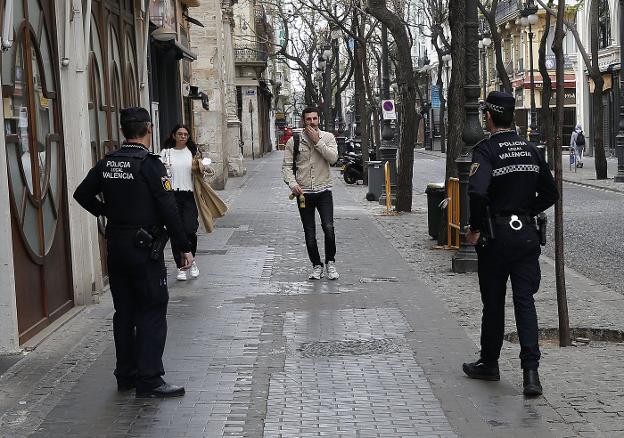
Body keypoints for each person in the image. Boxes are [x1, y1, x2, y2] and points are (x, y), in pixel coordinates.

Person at [74, 107, 193, 398]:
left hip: (117, 245)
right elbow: (168, 208)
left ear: (124, 130)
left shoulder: (107, 163)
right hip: (145, 249)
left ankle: (125, 374)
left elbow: (81, 193)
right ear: (148, 128)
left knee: (124, 312)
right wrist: (183, 248)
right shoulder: (149, 164)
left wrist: (107, 213)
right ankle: (150, 379)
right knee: (152, 310)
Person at [463, 91, 559, 396]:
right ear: (511, 116)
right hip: (526, 236)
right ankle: (531, 375)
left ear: (488, 117)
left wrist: (476, 228)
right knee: (525, 304)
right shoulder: (530, 149)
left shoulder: (486, 150)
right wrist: (528, 212)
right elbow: (550, 192)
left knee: (493, 303)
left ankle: (490, 363)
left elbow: (476, 193)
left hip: (495, 237)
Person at [282, 107, 339, 280]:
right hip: (303, 194)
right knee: (309, 233)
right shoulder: (294, 141)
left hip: (324, 191)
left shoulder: (328, 138)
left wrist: (317, 142)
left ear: (319, 119)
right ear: (303, 121)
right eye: (308, 119)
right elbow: (286, 166)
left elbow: (333, 159)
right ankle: (316, 265)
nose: (312, 122)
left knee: (328, 228)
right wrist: (292, 184)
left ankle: (330, 263)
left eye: (315, 118)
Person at [160, 124, 202, 281]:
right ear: (173, 136)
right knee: (176, 232)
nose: (183, 136)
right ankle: (181, 267)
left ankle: (192, 260)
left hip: (189, 195)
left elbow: (201, 173)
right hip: (171, 196)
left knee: (190, 229)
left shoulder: (192, 153)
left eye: (186, 134)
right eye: (180, 134)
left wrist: (203, 167)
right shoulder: (166, 153)